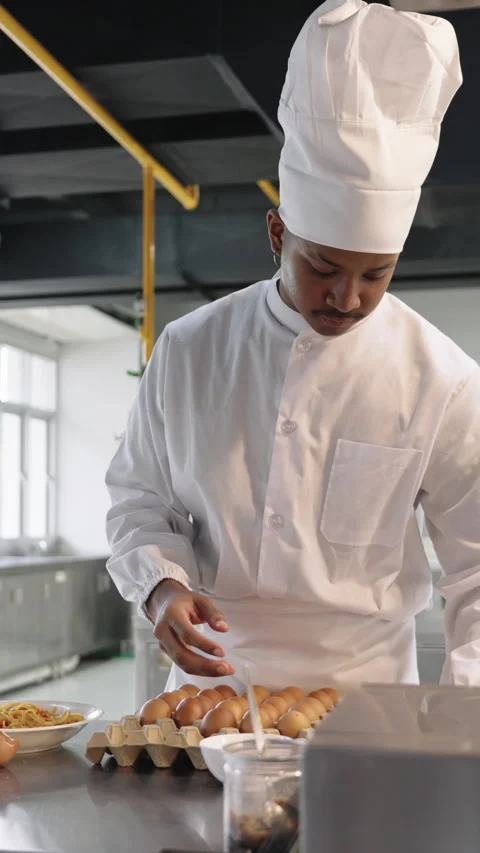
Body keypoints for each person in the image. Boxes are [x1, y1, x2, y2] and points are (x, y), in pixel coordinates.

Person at [106, 0, 480, 691]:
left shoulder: (445, 380)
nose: (348, 298)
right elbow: (138, 498)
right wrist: (160, 587)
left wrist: (464, 724)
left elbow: (477, 566)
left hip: (365, 704)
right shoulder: (189, 352)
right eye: (325, 268)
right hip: (207, 697)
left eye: (376, 274)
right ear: (278, 234)